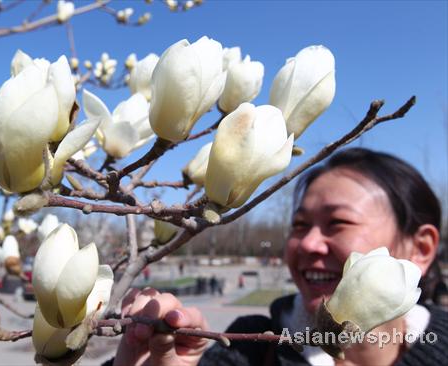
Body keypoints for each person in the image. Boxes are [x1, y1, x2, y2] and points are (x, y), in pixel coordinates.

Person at [108, 148, 447, 366]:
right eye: (299, 225)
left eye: (338, 223)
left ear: (421, 248)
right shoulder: (250, 350)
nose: (308, 243)